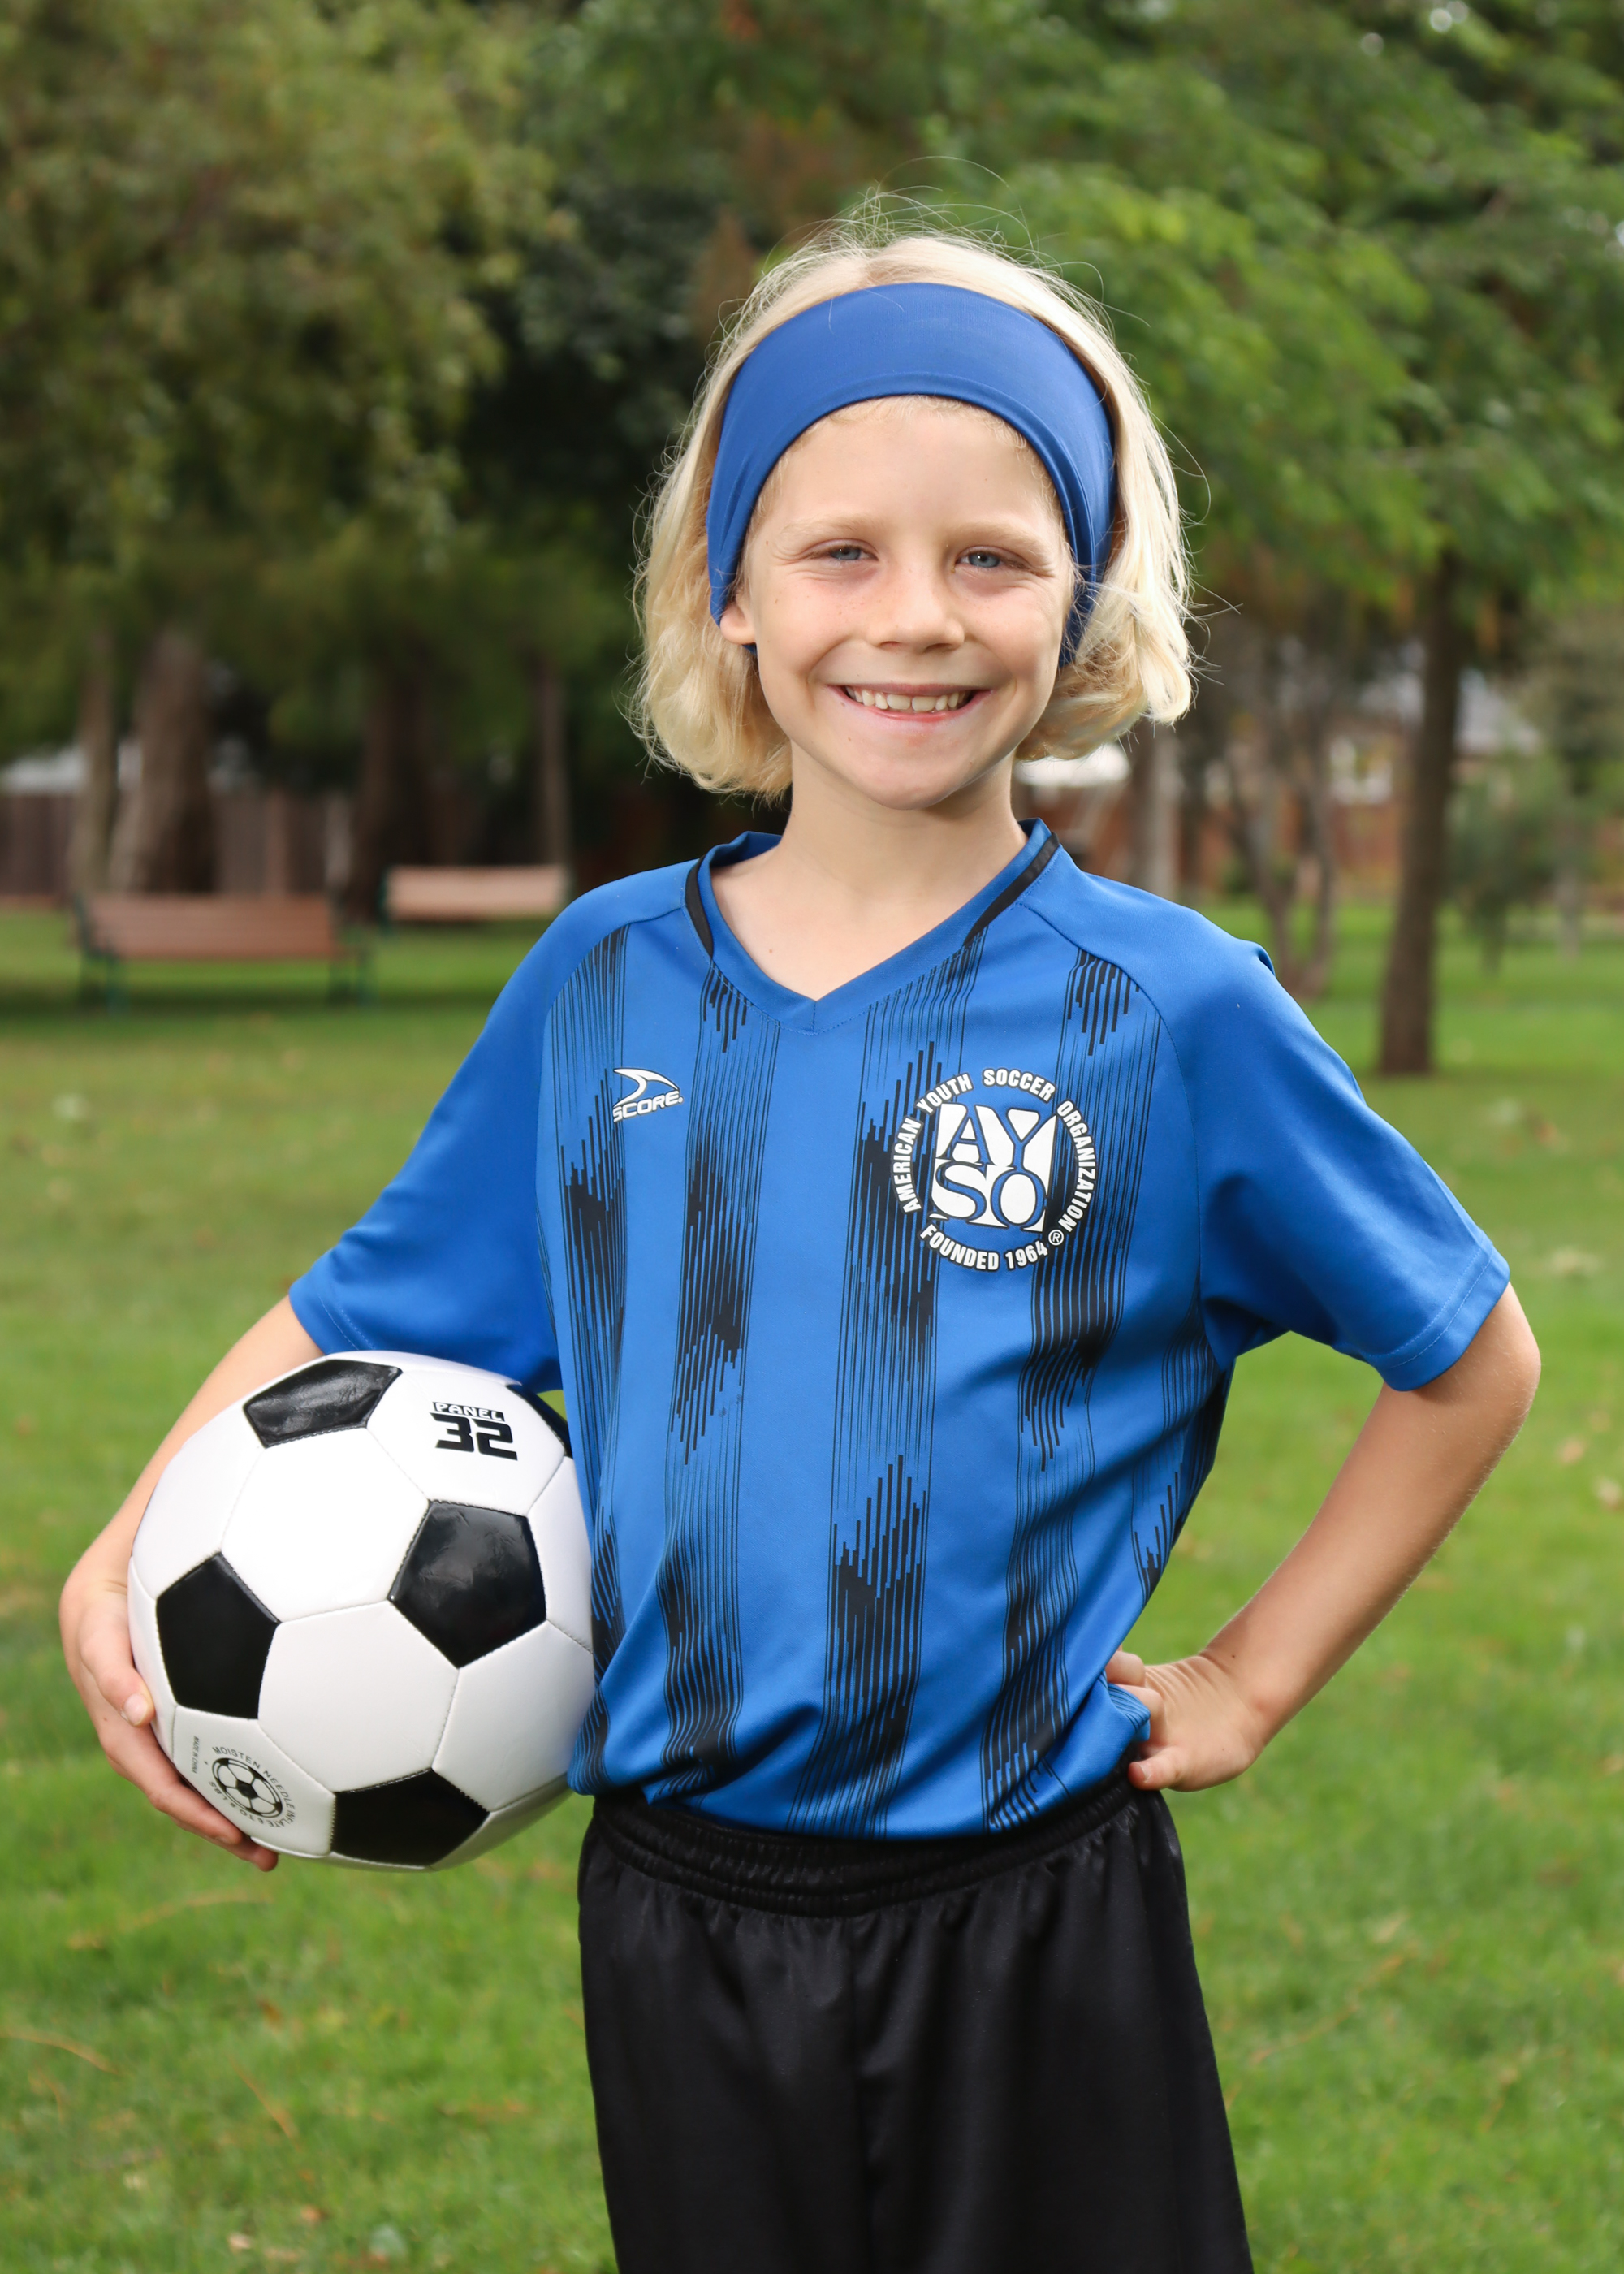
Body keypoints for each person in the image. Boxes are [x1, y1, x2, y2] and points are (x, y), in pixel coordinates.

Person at [61, 223, 1540, 2274]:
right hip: (678, 1913)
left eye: (990, 556)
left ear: (1083, 593)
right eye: (840, 550)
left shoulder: (1168, 1013)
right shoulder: (603, 985)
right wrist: (129, 1543)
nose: (913, 616)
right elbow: (362, 1308)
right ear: (730, 591)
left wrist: (1249, 1676)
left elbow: (1466, 1352)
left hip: (1033, 1907)